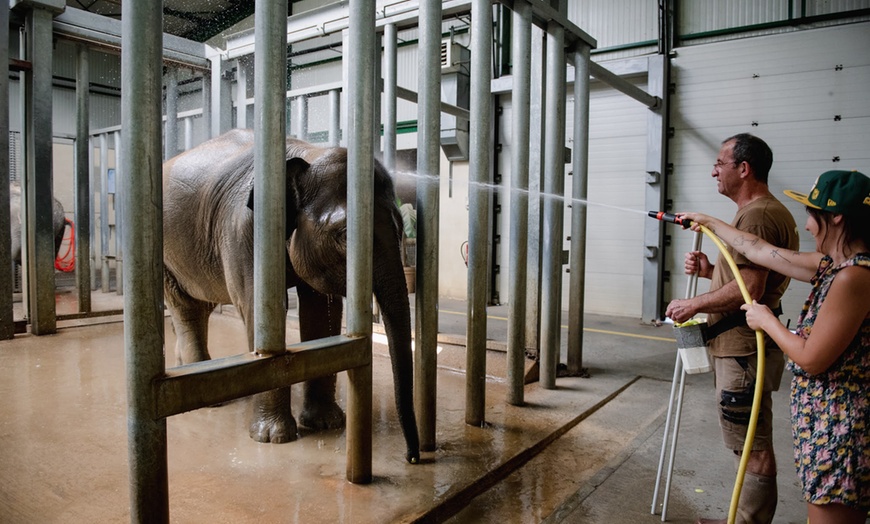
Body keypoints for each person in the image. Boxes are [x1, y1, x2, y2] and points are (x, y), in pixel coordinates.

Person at [679, 169, 870, 524]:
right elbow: (760, 250)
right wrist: (708, 222)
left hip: (840, 429)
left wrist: (766, 321)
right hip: (825, 423)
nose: (808, 226)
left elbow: (812, 358)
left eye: (812, 215)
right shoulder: (832, 266)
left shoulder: (853, 277)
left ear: (837, 217)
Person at [665, 133, 799, 524]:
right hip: (740, 347)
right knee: (745, 441)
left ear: (743, 168)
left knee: (751, 444)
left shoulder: (757, 215)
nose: (714, 172)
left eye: (719, 164)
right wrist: (711, 271)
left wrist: (692, 304)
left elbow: (750, 290)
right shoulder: (758, 213)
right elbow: (747, 280)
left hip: (743, 350)